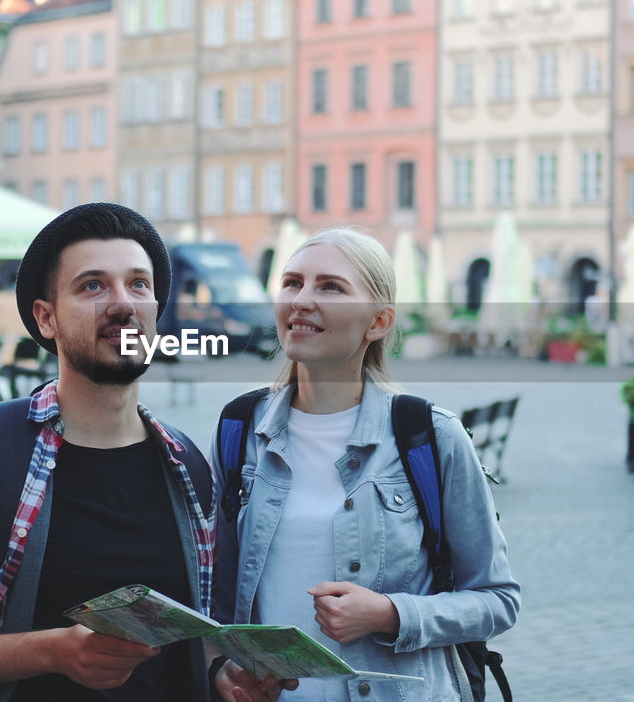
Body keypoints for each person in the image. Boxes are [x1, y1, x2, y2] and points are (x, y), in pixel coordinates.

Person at [0, 203, 216, 702]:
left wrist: (225, 675)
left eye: (138, 285)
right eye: (92, 286)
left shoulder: (186, 465)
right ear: (46, 318)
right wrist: (52, 652)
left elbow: (193, 645)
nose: (122, 303)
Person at [210, 228, 520, 702]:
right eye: (292, 282)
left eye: (330, 287)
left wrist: (391, 614)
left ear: (378, 321)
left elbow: (497, 600)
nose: (302, 299)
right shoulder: (238, 430)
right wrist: (221, 669)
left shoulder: (429, 435)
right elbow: (216, 594)